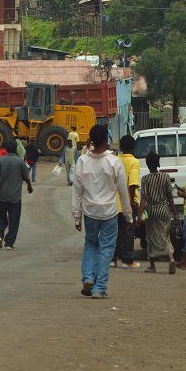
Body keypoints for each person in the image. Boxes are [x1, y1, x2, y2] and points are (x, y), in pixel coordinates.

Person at [72, 124, 132, 299]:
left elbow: (77, 191)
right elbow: (123, 192)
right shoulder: (114, 162)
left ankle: (88, 278)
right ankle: (99, 288)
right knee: (106, 248)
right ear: (106, 140)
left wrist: (77, 216)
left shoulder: (82, 161)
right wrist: (128, 216)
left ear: (91, 140)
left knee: (91, 244)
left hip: (90, 212)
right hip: (109, 213)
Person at [0, 141, 33, 250]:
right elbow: (26, 177)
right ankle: (9, 243)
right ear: (16, 149)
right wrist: (29, 186)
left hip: (1, 195)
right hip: (15, 197)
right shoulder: (20, 161)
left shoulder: (0, 160)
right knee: (14, 219)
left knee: (0, 216)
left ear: (6, 149)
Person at [137, 151, 178, 274]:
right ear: (158, 163)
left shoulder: (145, 179)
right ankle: (171, 258)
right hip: (164, 211)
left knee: (150, 237)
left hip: (151, 212)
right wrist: (175, 213)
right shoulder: (165, 177)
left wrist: (139, 215)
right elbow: (170, 197)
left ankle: (152, 265)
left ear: (147, 164)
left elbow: (144, 199)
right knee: (165, 236)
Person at [113, 135, 141, 269]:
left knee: (116, 232)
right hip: (128, 203)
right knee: (128, 232)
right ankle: (127, 260)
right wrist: (132, 201)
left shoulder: (115, 160)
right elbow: (133, 184)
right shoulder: (134, 162)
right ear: (133, 147)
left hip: (114, 203)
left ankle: (113, 259)